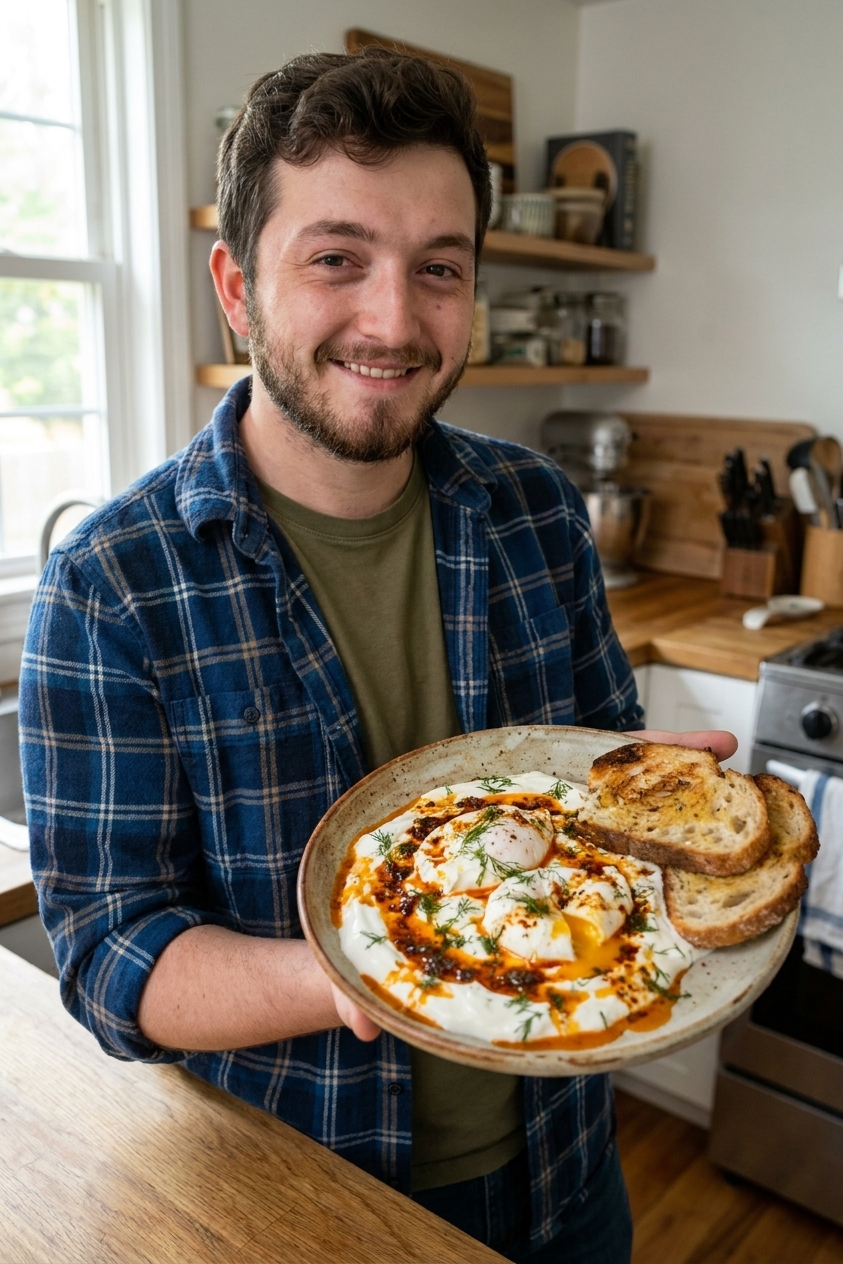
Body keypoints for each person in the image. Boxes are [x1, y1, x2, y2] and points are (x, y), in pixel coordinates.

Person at [20, 48, 736, 1263]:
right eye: (337, 259)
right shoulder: (113, 584)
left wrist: (658, 805)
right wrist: (378, 964)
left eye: (439, 268)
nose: (395, 322)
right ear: (237, 287)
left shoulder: (537, 509)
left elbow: (604, 777)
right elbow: (108, 955)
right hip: (306, 1201)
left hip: (565, 1169)